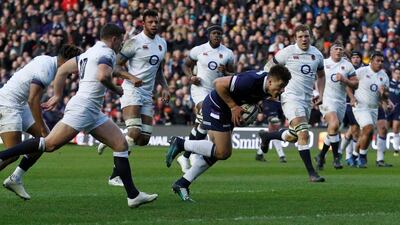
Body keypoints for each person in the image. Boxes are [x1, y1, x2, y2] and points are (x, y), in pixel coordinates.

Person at [0, 23, 157, 208]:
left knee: (120, 144)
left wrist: (58, 95)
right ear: (114, 39)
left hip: (92, 110)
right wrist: (116, 89)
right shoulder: (107, 53)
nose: (122, 44)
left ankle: (133, 195)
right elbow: (103, 77)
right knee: (48, 143)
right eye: (121, 40)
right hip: (83, 108)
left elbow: (63, 70)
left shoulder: (90, 52)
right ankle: (3, 155)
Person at [165, 65, 291, 201]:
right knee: (223, 152)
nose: (282, 90)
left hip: (226, 111)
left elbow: (245, 91)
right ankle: (180, 143)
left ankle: (182, 183)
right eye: (281, 86)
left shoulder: (268, 87)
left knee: (215, 153)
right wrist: (234, 107)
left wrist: (249, 108)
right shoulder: (252, 81)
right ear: (271, 81)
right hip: (216, 106)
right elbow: (218, 84)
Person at [97, 10, 170, 186]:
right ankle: (115, 175)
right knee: (135, 132)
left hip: (147, 93)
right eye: (150, 22)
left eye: (156, 22)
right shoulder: (134, 43)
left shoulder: (162, 43)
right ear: (143, 23)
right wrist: (131, 77)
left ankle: (114, 136)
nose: (154, 24)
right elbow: (115, 66)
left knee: (143, 139)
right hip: (131, 89)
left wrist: (165, 87)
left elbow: (158, 69)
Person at [0, 45, 82, 200]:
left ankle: (15, 179)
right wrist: (43, 126)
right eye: (75, 65)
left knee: (44, 141)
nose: (75, 71)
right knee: (12, 154)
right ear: (68, 61)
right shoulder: (46, 68)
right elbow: (33, 100)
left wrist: (43, 129)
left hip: (19, 103)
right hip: (7, 105)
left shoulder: (48, 61)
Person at [258, 24, 325, 182]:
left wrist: (321, 94)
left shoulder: (317, 54)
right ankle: (312, 174)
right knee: (303, 132)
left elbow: (321, 76)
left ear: (310, 37)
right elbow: (267, 68)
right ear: (295, 38)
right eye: (300, 36)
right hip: (290, 97)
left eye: (306, 36)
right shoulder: (287, 52)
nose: (304, 39)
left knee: (294, 136)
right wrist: (270, 89)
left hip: (307, 99)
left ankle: (267, 136)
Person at [176, 24, 235, 173]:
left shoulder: (228, 53)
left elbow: (232, 73)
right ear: (209, 35)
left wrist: (226, 70)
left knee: (201, 124)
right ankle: (188, 154)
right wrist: (191, 77)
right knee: (203, 113)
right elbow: (185, 65)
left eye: (220, 34)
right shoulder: (198, 50)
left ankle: (188, 155)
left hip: (217, 92)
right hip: (200, 89)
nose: (217, 36)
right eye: (215, 33)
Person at [314, 41, 358, 170]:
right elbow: (316, 79)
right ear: (330, 51)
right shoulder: (324, 63)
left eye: (340, 49)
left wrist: (345, 80)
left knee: (333, 130)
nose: (338, 51)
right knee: (334, 125)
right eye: (336, 49)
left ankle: (321, 156)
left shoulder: (348, 66)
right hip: (326, 100)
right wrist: (317, 94)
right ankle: (336, 158)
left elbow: (355, 84)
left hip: (341, 102)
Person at [351, 51, 390, 168]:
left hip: (374, 108)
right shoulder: (361, 71)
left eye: (382, 61)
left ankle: (354, 155)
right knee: (368, 129)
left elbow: (384, 98)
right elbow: (349, 84)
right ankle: (362, 157)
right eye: (378, 61)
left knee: (368, 133)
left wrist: (384, 94)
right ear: (371, 60)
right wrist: (352, 97)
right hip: (360, 106)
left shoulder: (384, 76)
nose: (380, 63)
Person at [341, 51, 363, 166]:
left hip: (361, 103)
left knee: (353, 130)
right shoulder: (348, 70)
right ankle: (350, 156)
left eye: (357, 57)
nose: (355, 59)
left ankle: (345, 155)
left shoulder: (363, 70)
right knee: (354, 129)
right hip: (349, 102)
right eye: (353, 57)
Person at [388, 68, 400, 157]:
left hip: (398, 109)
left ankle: (396, 149)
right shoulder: (388, 82)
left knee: (395, 128)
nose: (398, 75)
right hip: (387, 109)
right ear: (393, 73)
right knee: (384, 127)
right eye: (396, 73)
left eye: (399, 74)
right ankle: (381, 150)